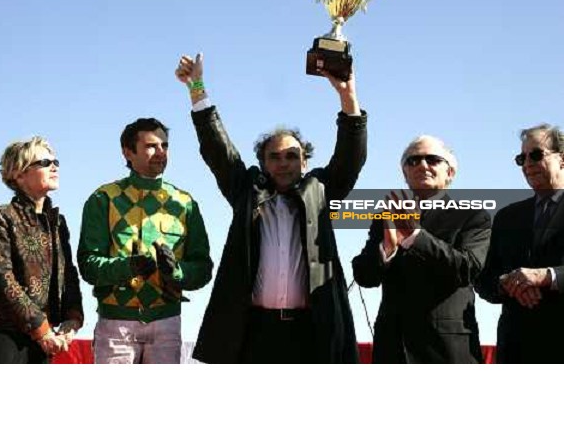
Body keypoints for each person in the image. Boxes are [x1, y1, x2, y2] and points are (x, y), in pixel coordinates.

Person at [175, 53, 367, 363]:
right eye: (274, 157)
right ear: (263, 163)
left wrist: (347, 95)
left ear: (305, 162)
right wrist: (196, 86)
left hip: (311, 331)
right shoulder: (246, 191)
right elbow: (217, 149)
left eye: (291, 156)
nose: (283, 163)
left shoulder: (321, 192)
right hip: (253, 331)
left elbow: (351, 157)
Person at [77, 117, 213, 364]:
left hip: (167, 323)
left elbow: (203, 268)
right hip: (116, 324)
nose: (160, 152)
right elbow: (87, 265)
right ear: (128, 152)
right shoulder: (103, 198)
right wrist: (129, 266)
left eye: (165, 145)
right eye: (151, 146)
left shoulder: (185, 203)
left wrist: (177, 272)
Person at [352, 135, 491, 363]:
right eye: (413, 161)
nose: (422, 165)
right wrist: (386, 249)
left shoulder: (473, 216)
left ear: (450, 173)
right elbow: (365, 277)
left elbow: (467, 268)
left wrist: (415, 237)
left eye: (432, 159)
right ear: (405, 173)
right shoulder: (387, 216)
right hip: (392, 348)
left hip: (446, 350)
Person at [0, 137, 84, 364]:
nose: (54, 167)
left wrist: (73, 320)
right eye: (44, 162)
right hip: (3, 339)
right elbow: (1, 280)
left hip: (44, 344)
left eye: (55, 162)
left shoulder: (58, 222)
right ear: (18, 174)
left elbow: (69, 274)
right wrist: (41, 329)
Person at [476, 124, 564, 363]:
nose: (527, 164)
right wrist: (506, 284)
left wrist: (546, 276)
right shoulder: (507, 217)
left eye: (536, 155)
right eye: (521, 158)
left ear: (562, 159)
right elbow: (484, 279)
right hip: (516, 349)